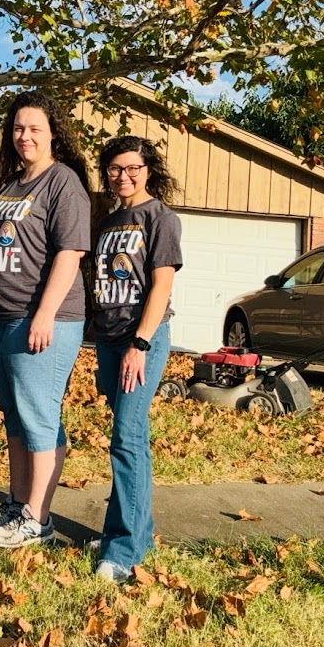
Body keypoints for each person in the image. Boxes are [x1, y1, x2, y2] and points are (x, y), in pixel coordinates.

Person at [0, 91, 91, 549]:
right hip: (0, 317)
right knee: (16, 419)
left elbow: (70, 253)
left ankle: (37, 520)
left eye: (35, 128)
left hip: (43, 318)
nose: (24, 136)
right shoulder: (11, 184)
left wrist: (43, 314)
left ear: (54, 134)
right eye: (18, 128)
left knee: (39, 418)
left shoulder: (62, 182)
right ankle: (17, 503)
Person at [89, 136, 182, 582]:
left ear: (148, 170)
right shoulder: (109, 221)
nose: (122, 176)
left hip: (139, 339)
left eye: (131, 168)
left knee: (126, 438)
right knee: (132, 437)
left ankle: (123, 552)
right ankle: (135, 533)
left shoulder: (160, 217)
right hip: (108, 338)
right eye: (114, 168)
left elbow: (161, 286)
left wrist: (140, 344)